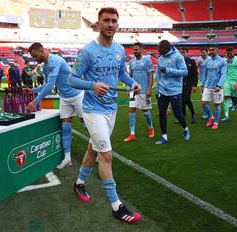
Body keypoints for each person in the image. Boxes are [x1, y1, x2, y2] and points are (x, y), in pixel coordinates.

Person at [68, 7, 142, 224]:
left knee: (93, 148)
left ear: (117, 25)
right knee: (106, 155)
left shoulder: (119, 49)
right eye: (106, 20)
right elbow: (72, 79)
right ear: (98, 24)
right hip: (92, 110)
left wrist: (132, 83)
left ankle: (79, 183)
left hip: (111, 109)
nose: (110, 24)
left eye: (114, 21)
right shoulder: (88, 51)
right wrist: (92, 85)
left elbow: (121, 74)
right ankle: (116, 206)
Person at [27, 42, 85, 169]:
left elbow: (49, 86)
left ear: (42, 51)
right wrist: (33, 90)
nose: (35, 59)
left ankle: (98, 150)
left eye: (36, 56)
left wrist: (35, 101)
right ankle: (67, 158)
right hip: (64, 98)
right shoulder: (45, 66)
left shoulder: (55, 61)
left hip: (78, 95)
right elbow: (47, 85)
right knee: (65, 127)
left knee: (86, 125)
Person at [154, 40, 190, 144]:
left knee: (177, 113)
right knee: (162, 113)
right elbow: (159, 74)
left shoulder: (177, 57)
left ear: (166, 48)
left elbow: (185, 72)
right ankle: (164, 136)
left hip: (175, 90)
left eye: (159, 48)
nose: (157, 50)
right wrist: (157, 89)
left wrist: (168, 71)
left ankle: (186, 129)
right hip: (162, 90)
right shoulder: (160, 58)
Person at [124, 42, 154, 142]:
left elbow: (151, 75)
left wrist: (149, 89)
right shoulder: (131, 62)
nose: (135, 51)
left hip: (144, 91)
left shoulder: (147, 60)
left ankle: (151, 127)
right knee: (132, 110)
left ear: (141, 49)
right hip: (134, 91)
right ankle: (132, 134)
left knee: (145, 111)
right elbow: (129, 77)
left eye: (136, 49)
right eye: (134, 50)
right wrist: (129, 88)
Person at [201, 46, 227, 129]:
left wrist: (219, 85)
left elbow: (223, 74)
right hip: (207, 86)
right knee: (204, 103)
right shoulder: (207, 61)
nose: (211, 51)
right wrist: (202, 84)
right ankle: (211, 116)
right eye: (210, 50)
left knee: (217, 105)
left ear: (217, 50)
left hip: (217, 87)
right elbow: (204, 74)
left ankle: (216, 122)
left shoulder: (222, 61)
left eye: (212, 50)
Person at [222, 48, 237, 121]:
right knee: (226, 97)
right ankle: (226, 115)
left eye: (230, 53)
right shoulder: (225, 61)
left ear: (233, 52)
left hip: (236, 82)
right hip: (227, 81)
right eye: (227, 54)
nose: (228, 55)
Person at [180, 47, 198, 123]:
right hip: (180, 84)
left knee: (187, 99)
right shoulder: (179, 62)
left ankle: (193, 114)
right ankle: (183, 115)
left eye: (184, 52)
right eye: (181, 52)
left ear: (187, 53)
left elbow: (195, 74)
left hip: (189, 84)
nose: (182, 54)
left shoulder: (192, 61)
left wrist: (194, 85)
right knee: (181, 101)